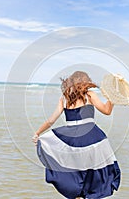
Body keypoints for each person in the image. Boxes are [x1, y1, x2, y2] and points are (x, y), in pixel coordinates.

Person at [32, 71, 121, 199]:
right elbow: (107, 111)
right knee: (94, 172)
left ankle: (77, 195)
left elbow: (51, 120)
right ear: (85, 82)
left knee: (76, 172)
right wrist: (112, 97)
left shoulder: (64, 98)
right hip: (93, 138)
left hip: (72, 141)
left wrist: (37, 133)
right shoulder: (89, 95)